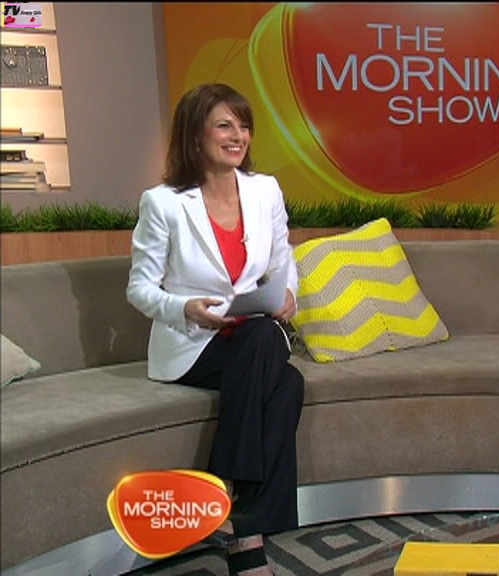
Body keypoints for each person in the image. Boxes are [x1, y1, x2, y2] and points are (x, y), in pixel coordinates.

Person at [127, 83, 303, 576]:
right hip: (195, 345)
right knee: (282, 373)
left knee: (271, 351)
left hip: (252, 340)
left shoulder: (264, 190)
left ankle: (237, 525)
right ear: (195, 134)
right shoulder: (163, 203)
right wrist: (186, 308)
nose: (238, 136)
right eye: (225, 125)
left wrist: (289, 293)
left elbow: (283, 259)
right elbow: (139, 289)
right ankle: (232, 502)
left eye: (244, 126)